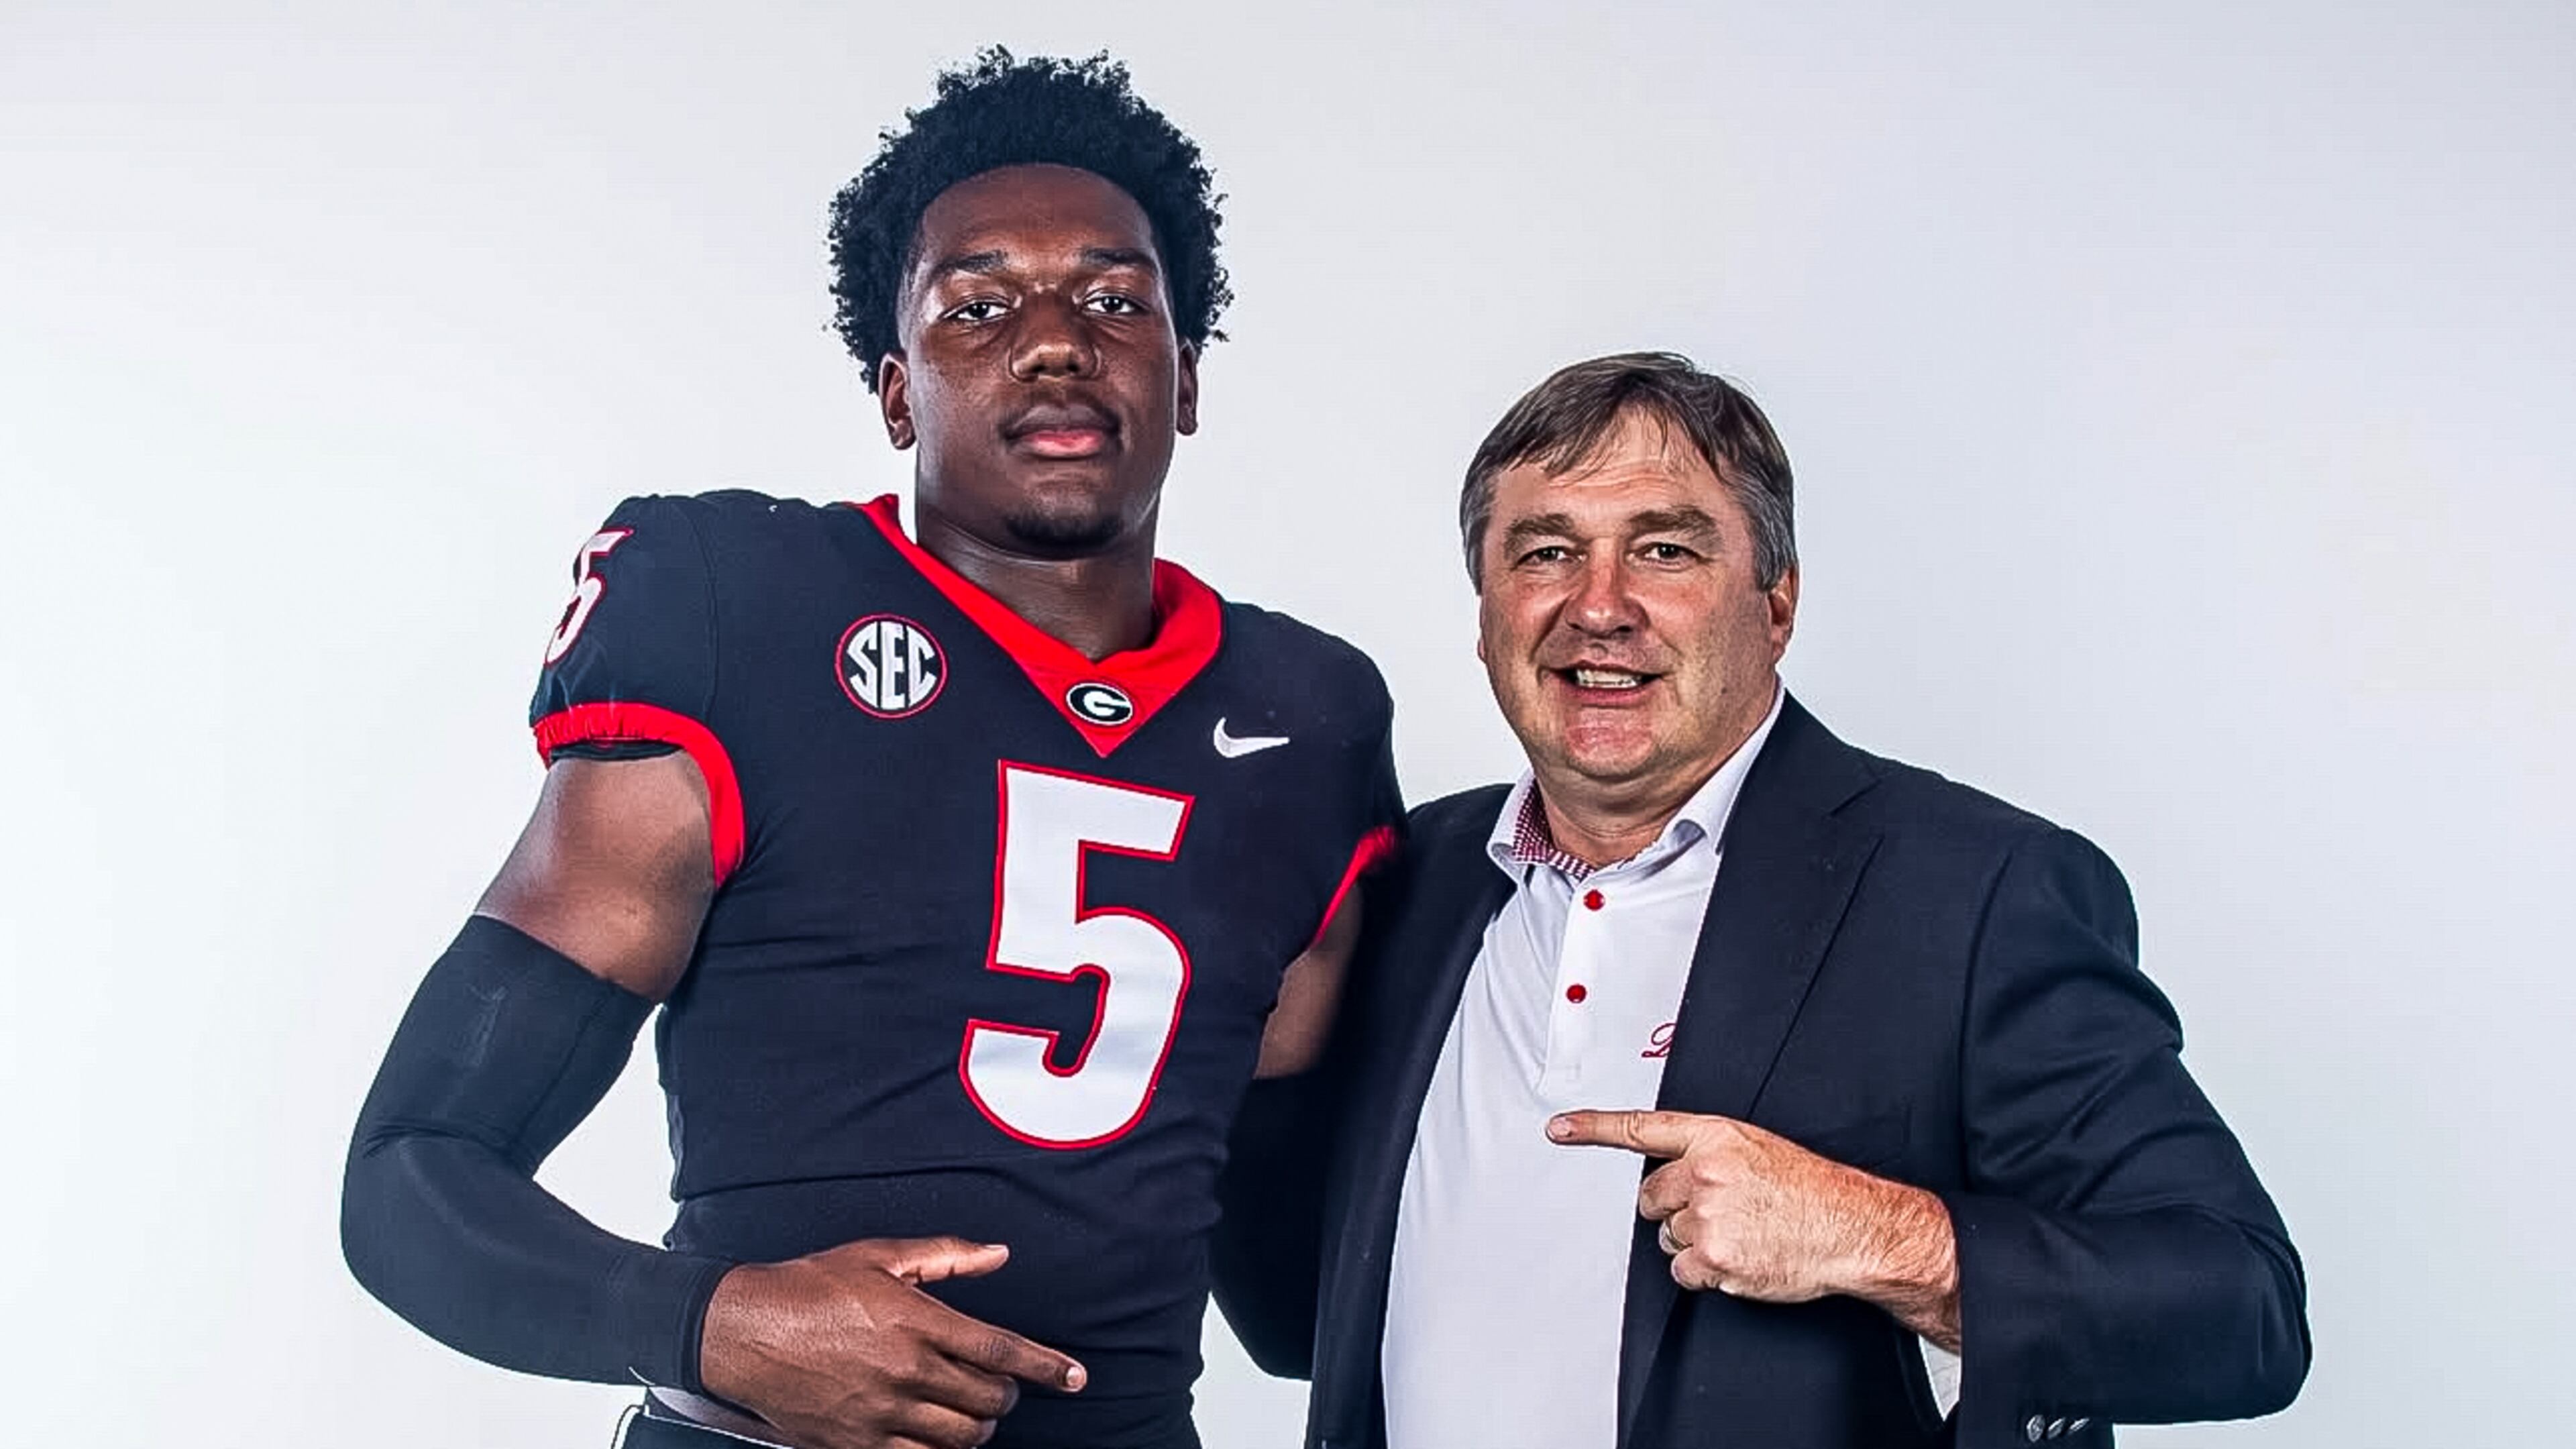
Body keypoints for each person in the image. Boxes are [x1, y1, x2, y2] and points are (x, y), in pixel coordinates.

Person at [341, 50, 1399, 1449]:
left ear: (1184, 377)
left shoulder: (1309, 715)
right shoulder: (739, 604)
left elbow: (1289, 1298)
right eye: (978, 302)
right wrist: (714, 1323)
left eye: (1112, 298)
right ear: (898, 393)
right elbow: (412, 1180)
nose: (1054, 338)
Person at [1213, 353, 2309, 1448]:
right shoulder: (1410, 880)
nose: (1599, 607)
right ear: (1488, 613)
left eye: (1665, 550)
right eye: (1546, 552)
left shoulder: (1975, 897)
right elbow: (1305, 1322)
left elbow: (2238, 1307)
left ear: (1775, 605)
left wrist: (1887, 1239)